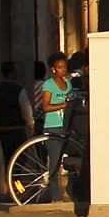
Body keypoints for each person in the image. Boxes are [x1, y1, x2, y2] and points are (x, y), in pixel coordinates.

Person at [35, 53, 74, 199]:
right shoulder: (48, 85)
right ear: (53, 69)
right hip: (53, 126)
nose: (63, 70)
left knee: (69, 161)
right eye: (60, 67)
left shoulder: (67, 83)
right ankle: (55, 196)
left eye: (64, 67)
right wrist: (63, 105)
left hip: (67, 125)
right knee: (54, 163)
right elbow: (45, 106)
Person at [0, 61, 31, 196]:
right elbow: (26, 110)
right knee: (18, 161)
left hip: (2, 130)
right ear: (13, 73)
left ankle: (8, 188)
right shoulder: (19, 90)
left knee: (7, 160)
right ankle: (17, 188)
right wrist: (30, 124)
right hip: (17, 129)